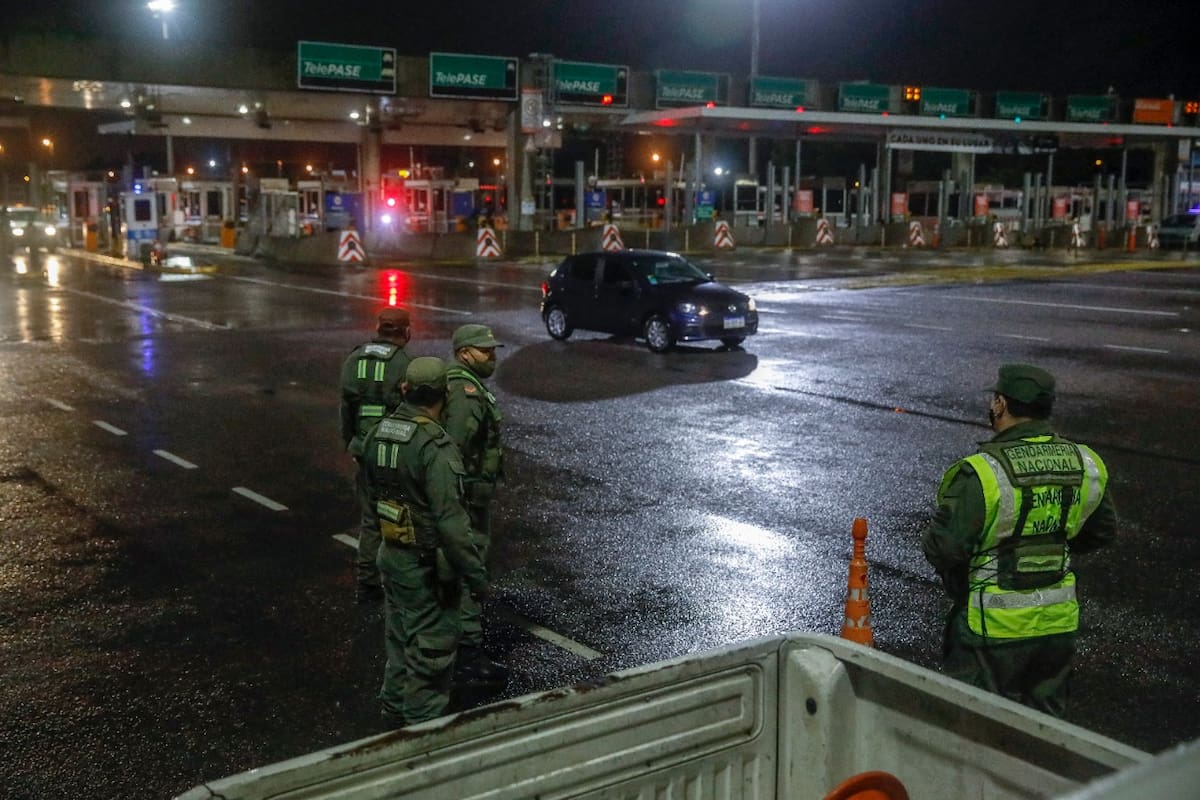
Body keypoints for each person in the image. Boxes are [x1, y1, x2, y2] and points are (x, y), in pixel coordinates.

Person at [922, 363, 1117, 717]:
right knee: (1044, 737)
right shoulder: (1085, 463)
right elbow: (1102, 532)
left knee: (967, 728)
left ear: (1000, 404)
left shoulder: (983, 472)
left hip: (989, 629)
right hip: (1057, 624)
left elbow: (943, 547)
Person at [363, 357, 489, 726]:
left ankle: (390, 722)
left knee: (399, 644)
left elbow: (371, 504)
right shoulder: (434, 447)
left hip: (392, 556)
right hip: (425, 567)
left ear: (405, 389)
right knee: (430, 658)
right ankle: (422, 739)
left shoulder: (378, 434)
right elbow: (451, 524)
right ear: (444, 395)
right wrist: (476, 578)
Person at [444, 324, 506, 680]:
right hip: (467, 500)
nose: (492, 356)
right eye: (486, 351)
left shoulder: (465, 384)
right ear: (465, 353)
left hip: (469, 497)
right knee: (470, 571)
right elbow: (455, 448)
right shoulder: (466, 392)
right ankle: (469, 654)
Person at [339, 307, 412, 602]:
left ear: (379, 328)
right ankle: (401, 581)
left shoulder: (354, 358)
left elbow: (346, 407)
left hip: (364, 450)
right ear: (406, 331)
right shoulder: (404, 363)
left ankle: (367, 582)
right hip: (394, 451)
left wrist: (350, 444)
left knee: (370, 520)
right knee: (401, 517)